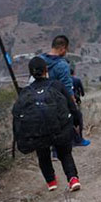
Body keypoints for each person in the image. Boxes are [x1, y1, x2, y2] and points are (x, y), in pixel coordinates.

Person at [14, 57, 81, 192]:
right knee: (65, 153)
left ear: (31, 73)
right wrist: (77, 122)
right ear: (46, 70)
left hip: (39, 133)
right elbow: (71, 106)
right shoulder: (56, 85)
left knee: (43, 154)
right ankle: (73, 178)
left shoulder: (26, 92)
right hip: (59, 130)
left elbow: (18, 116)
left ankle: (51, 182)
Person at [41, 35, 89, 150]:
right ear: (62, 48)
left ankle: (53, 150)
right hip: (58, 103)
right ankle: (77, 140)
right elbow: (67, 88)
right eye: (66, 49)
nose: (66, 52)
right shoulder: (62, 65)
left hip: (41, 102)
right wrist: (73, 105)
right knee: (76, 117)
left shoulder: (40, 60)